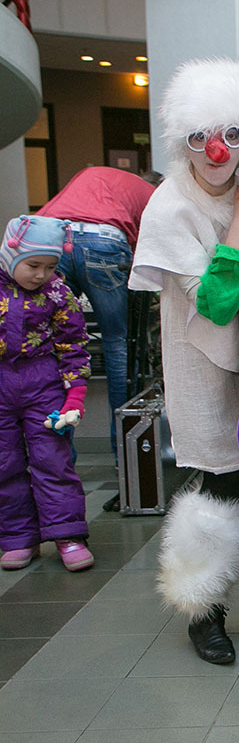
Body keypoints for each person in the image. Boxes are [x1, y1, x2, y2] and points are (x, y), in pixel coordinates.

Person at [129, 57, 239, 664]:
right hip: (202, 358)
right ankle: (203, 610)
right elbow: (217, 303)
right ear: (182, 140)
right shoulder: (170, 208)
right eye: (200, 138)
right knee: (219, 480)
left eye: (231, 136)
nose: (216, 151)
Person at [37, 166, 156, 449]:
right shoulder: (153, 194)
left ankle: (56, 450)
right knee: (117, 342)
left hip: (53, 240)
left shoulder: (94, 175)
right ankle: (124, 453)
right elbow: (148, 250)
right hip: (103, 241)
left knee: (55, 343)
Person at [0, 215, 94, 573]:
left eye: (50, 266)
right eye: (33, 264)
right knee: (4, 463)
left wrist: (74, 397)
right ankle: (17, 537)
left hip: (44, 382)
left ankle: (67, 534)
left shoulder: (58, 293)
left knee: (52, 459)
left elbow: (74, 345)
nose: (40, 274)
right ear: (11, 255)